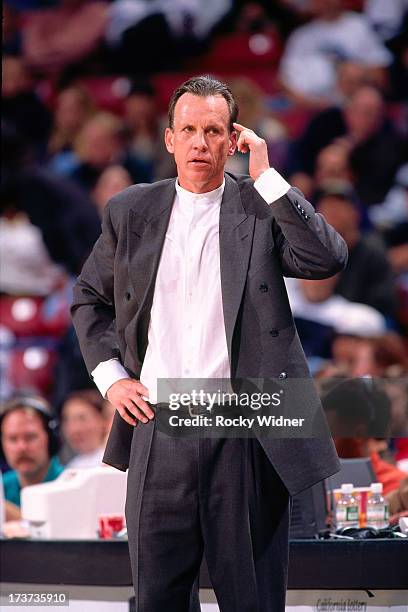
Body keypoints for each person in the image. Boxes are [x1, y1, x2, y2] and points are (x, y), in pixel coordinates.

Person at [71, 75, 347, 611]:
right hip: (157, 424)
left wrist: (268, 178)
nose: (201, 142)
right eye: (190, 130)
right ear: (169, 139)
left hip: (243, 428)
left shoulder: (260, 207)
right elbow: (88, 299)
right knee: (157, 600)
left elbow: (326, 258)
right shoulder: (131, 210)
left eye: (215, 130)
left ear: (234, 139)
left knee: (252, 601)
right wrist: (111, 379)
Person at [0, 396, 63, 521]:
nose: (22, 447)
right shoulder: (3, 485)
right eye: (13, 439)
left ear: (50, 440)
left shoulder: (73, 485)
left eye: (30, 437)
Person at [61, 389, 109, 468]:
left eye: (82, 418)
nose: (74, 429)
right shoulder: (70, 469)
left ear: (103, 420)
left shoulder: (116, 464)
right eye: (66, 420)